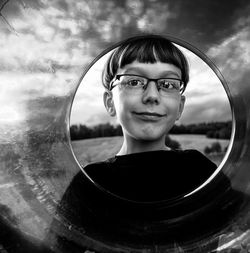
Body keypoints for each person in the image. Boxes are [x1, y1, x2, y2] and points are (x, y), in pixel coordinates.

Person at [46, 35, 246, 252]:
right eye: (134, 81)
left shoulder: (198, 170)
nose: (152, 96)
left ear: (180, 107)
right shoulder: (90, 184)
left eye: (168, 84)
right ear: (110, 102)